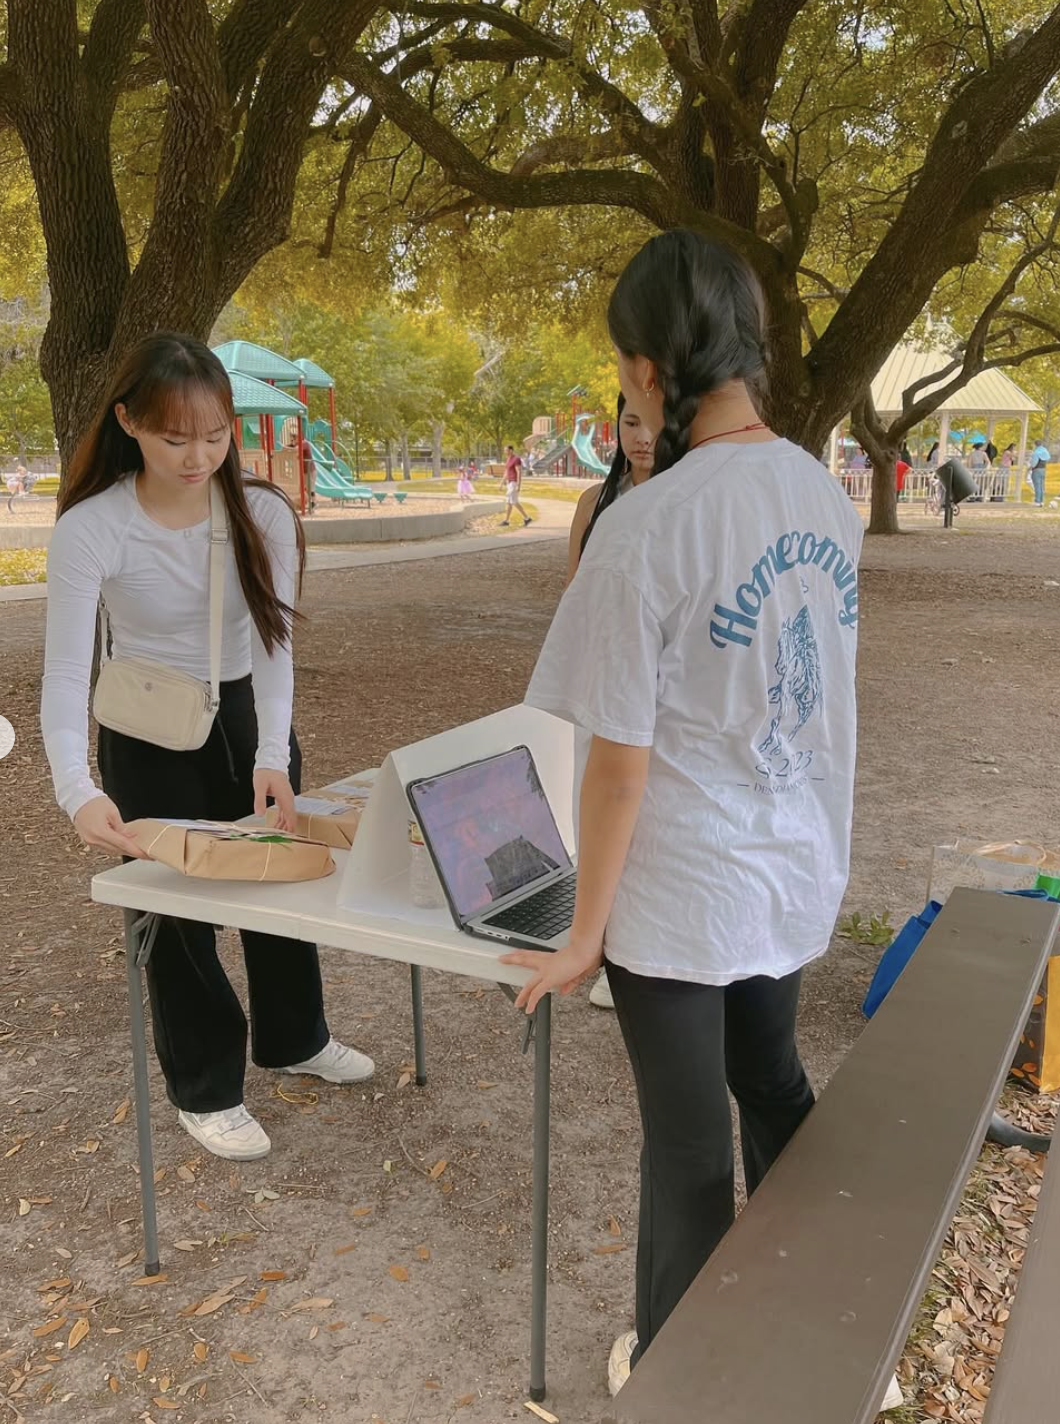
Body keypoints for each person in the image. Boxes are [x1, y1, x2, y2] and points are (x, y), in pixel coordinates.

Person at [500, 230, 863, 1395]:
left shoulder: (645, 526)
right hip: (786, 861)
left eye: (622, 366)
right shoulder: (819, 485)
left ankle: (673, 1375)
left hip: (682, 888)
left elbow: (614, 761)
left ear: (650, 369)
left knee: (691, 1139)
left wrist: (581, 931)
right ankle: (823, 1309)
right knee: (771, 1077)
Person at [41, 333, 373, 1162]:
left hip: (245, 721)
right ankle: (207, 1086)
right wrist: (76, 789)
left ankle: (295, 1037)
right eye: (173, 438)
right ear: (129, 423)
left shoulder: (262, 513)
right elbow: (63, 670)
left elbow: (275, 648)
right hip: (146, 728)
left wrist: (270, 753)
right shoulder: (92, 527)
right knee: (177, 913)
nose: (198, 457)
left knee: (281, 881)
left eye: (215, 435)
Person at [566, 394, 655, 1011]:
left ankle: (631, 950)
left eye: (654, 423)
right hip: (601, 679)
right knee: (595, 810)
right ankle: (599, 941)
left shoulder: (684, 502)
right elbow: (574, 598)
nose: (642, 436)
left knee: (645, 818)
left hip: (654, 692)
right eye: (630, 423)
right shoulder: (595, 503)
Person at [284, 421, 316, 515]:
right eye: (293, 438)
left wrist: (289, 447)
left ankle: (312, 506)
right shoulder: (298, 444)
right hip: (303, 471)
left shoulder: (305, 443)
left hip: (310, 470)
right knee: (302, 488)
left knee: (311, 489)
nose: (294, 440)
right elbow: (288, 448)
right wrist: (288, 446)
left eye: (295, 437)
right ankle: (302, 504)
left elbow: (296, 449)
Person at [501, 444, 532, 527]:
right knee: (511, 502)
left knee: (512, 502)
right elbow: (506, 472)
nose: (505, 452)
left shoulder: (516, 459)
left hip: (514, 483)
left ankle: (525, 518)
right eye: (505, 450)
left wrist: (519, 485)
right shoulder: (508, 459)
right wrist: (502, 483)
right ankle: (524, 518)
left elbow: (519, 472)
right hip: (509, 483)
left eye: (506, 450)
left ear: (511, 450)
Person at [1029, 442, 1050, 506]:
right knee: (1042, 486)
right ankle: (1041, 501)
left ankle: (1037, 501)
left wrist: (1030, 467)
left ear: (1035, 445)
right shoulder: (1045, 451)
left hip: (1036, 470)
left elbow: (1033, 464)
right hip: (1043, 469)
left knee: (1037, 486)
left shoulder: (1036, 452)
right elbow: (1048, 458)